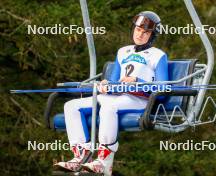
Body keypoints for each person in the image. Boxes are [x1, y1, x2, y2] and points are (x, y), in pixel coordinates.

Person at [54, 11, 168, 175]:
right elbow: (114, 82)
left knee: (109, 106)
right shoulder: (123, 52)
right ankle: (80, 155)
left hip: (139, 99)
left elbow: (164, 89)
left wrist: (138, 82)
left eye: (146, 32)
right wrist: (106, 84)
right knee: (71, 106)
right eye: (137, 30)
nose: (140, 34)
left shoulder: (158, 56)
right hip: (117, 97)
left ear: (152, 35)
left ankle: (104, 161)